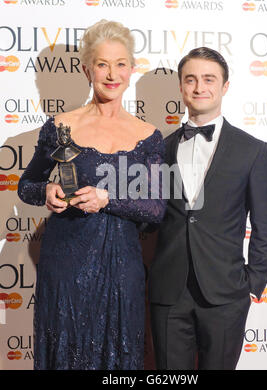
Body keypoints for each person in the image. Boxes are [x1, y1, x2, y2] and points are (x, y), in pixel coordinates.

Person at [18, 19, 166, 370]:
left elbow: (157, 209)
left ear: (131, 69)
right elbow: (27, 186)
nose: (111, 74)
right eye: (102, 64)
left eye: (119, 64)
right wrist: (49, 190)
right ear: (87, 70)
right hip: (66, 261)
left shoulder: (150, 137)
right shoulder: (61, 127)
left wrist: (107, 199)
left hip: (122, 267)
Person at [148, 47, 267, 370]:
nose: (199, 87)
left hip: (227, 295)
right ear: (180, 87)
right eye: (190, 79)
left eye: (209, 79)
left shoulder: (252, 151)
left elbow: (265, 226)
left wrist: (253, 284)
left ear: (225, 86)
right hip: (168, 293)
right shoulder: (159, 149)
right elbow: (147, 218)